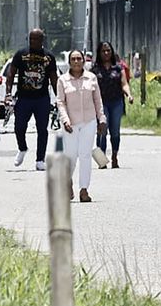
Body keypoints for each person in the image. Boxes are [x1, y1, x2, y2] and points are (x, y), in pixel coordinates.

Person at [5, 28, 58, 171]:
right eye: (31, 39)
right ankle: (22, 148)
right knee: (19, 127)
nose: (33, 42)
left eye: (36, 39)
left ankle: (40, 159)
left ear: (42, 40)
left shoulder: (49, 57)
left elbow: (54, 79)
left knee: (42, 129)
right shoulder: (21, 54)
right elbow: (11, 74)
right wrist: (8, 93)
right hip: (24, 98)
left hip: (42, 99)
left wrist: (60, 98)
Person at [56, 50, 105, 202]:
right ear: (69, 62)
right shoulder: (63, 80)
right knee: (71, 155)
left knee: (85, 155)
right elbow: (60, 102)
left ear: (84, 61)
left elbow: (98, 100)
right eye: (73, 59)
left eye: (79, 59)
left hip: (89, 121)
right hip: (70, 123)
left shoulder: (91, 78)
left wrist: (101, 119)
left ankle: (84, 189)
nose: (76, 61)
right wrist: (65, 120)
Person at [94, 41, 133, 169]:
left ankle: (114, 156)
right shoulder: (95, 69)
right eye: (103, 51)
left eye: (108, 51)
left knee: (115, 131)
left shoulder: (118, 68)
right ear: (99, 53)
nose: (106, 53)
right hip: (101, 104)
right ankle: (101, 160)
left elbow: (124, 84)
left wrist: (129, 95)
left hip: (116, 102)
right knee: (102, 131)